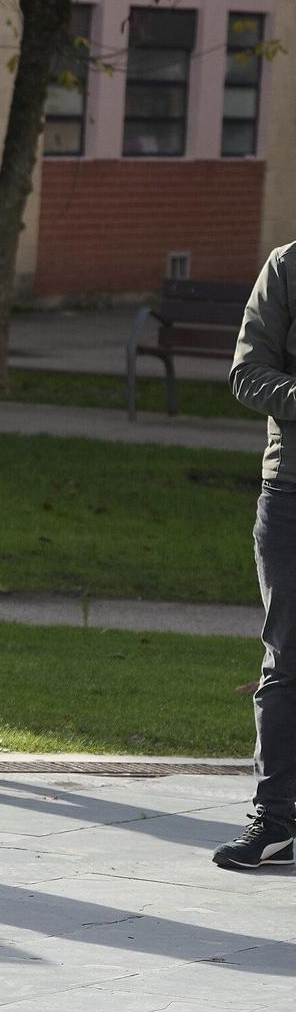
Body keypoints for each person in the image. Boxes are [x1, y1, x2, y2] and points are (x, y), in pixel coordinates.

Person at [219, 239, 296, 870]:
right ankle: (276, 822)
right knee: (286, 660)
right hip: (291, 492)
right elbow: (248, 374)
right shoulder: (286, 267)